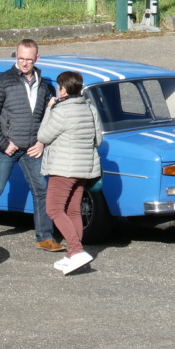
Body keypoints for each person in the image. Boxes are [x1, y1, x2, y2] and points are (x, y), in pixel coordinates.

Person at [0, 38, 62, 252]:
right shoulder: (2, 81)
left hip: (32, 148)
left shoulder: (43, 85)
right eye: (20, 58)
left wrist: (42, 142)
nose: (24, 63)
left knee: (42, 190)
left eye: (28, 59)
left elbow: (46, 117)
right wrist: (3, 143)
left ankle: (45, 238)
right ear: (15, 56)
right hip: (7, 147)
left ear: (37, 58)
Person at [38, 70, 104, 275]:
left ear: (63, 88)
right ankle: (72, 256)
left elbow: (43, 135)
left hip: (63, 168)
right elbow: (98, 140)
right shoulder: (90, 108)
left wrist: (49, 109)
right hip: (84, 168)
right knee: (73, 210)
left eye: (59, 86)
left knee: (54, 209)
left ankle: (76, 250)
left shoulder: (61, 110)